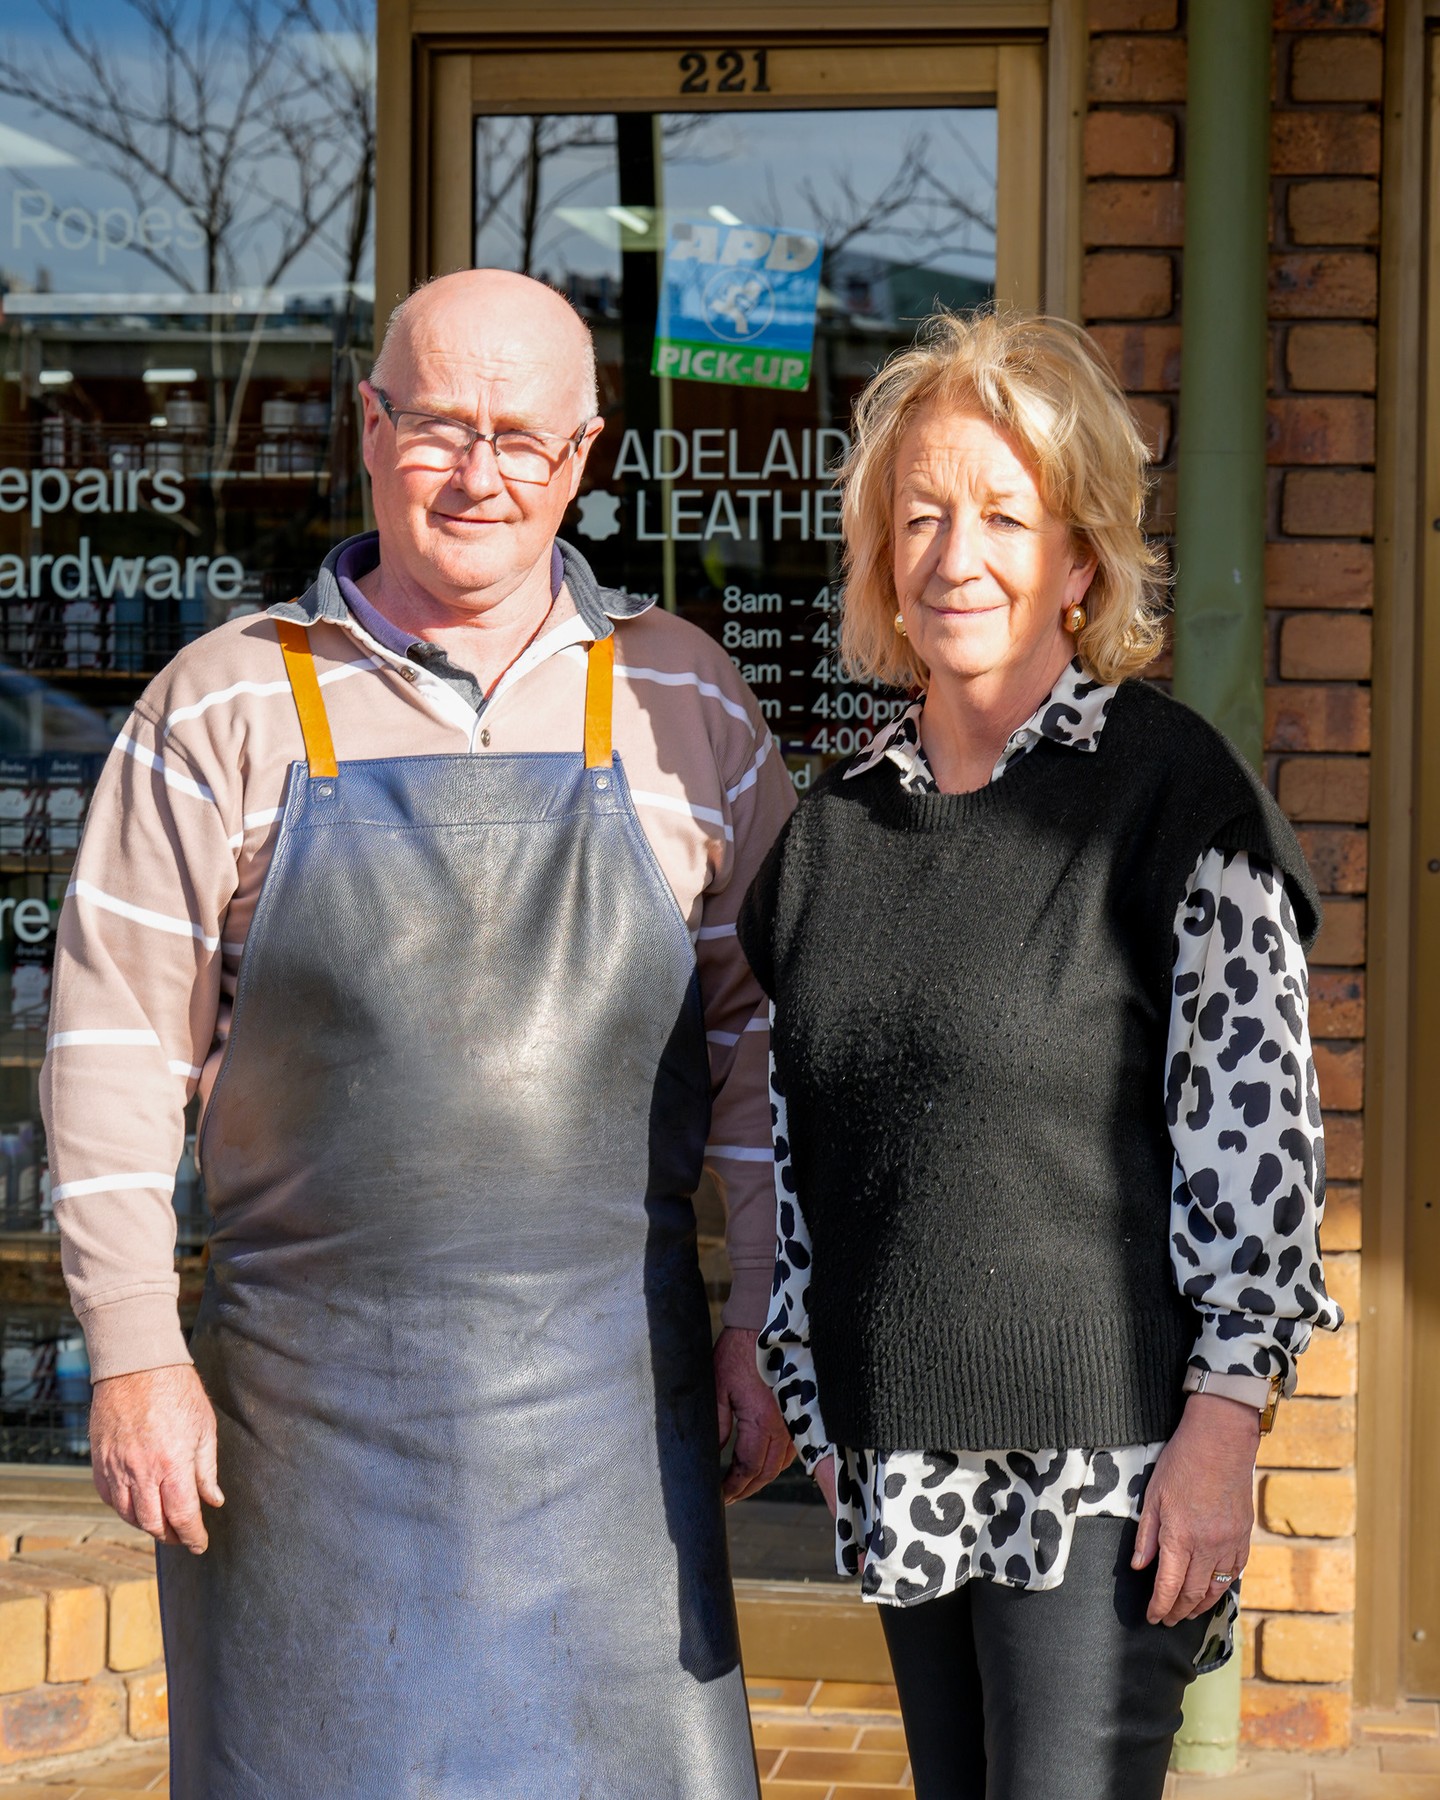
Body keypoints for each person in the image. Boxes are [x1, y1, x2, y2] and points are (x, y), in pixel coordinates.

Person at [41, 269, 796, 1797]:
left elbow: (766, 1047)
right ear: (369, 431)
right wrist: (131, 1348)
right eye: (441, 425)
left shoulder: (685, 701)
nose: (480, 472)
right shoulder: (226, 703)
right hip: (304, 1426)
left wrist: (763, 1313)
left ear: (583, 458)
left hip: (611, 1429)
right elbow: (115, 1053)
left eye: (524, 436)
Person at [737, 311, 1343, 1800]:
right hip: (902, 1444)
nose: (958, 555)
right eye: (922, 515)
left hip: (1105, 1462)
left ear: (1079, 562)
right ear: (882, 555)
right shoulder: (833, 829)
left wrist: (1226, 1422)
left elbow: (1254, 1147)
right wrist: (816, 1406)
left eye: (1005, 515)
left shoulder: (1162, 794)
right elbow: (806, 1145)